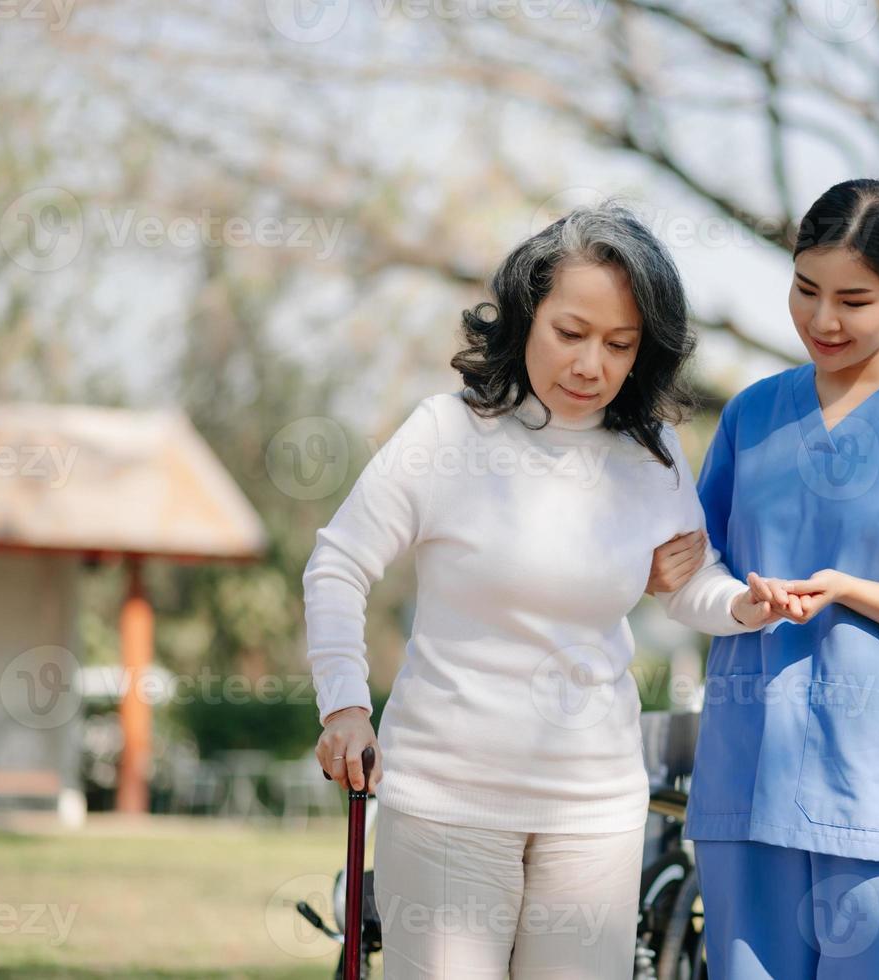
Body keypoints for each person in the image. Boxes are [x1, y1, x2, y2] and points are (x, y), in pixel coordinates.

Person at [302, 203, 793, 979]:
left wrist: (742, 605)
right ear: (526, 317)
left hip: (593, 809)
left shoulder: (651, 451)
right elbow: (337, 563)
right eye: (571, 333)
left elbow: (684, 580)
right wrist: (344, 705)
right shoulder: (445, 434)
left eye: (618, 344)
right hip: (444, 802)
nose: (590, 365)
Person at [647, 179, 879, 978]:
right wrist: (662, 565)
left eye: (854, 299)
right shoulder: (751, 415)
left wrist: (846, 588)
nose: (822, 320)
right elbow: (696, 570)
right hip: (747, 781)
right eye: (804, 290)